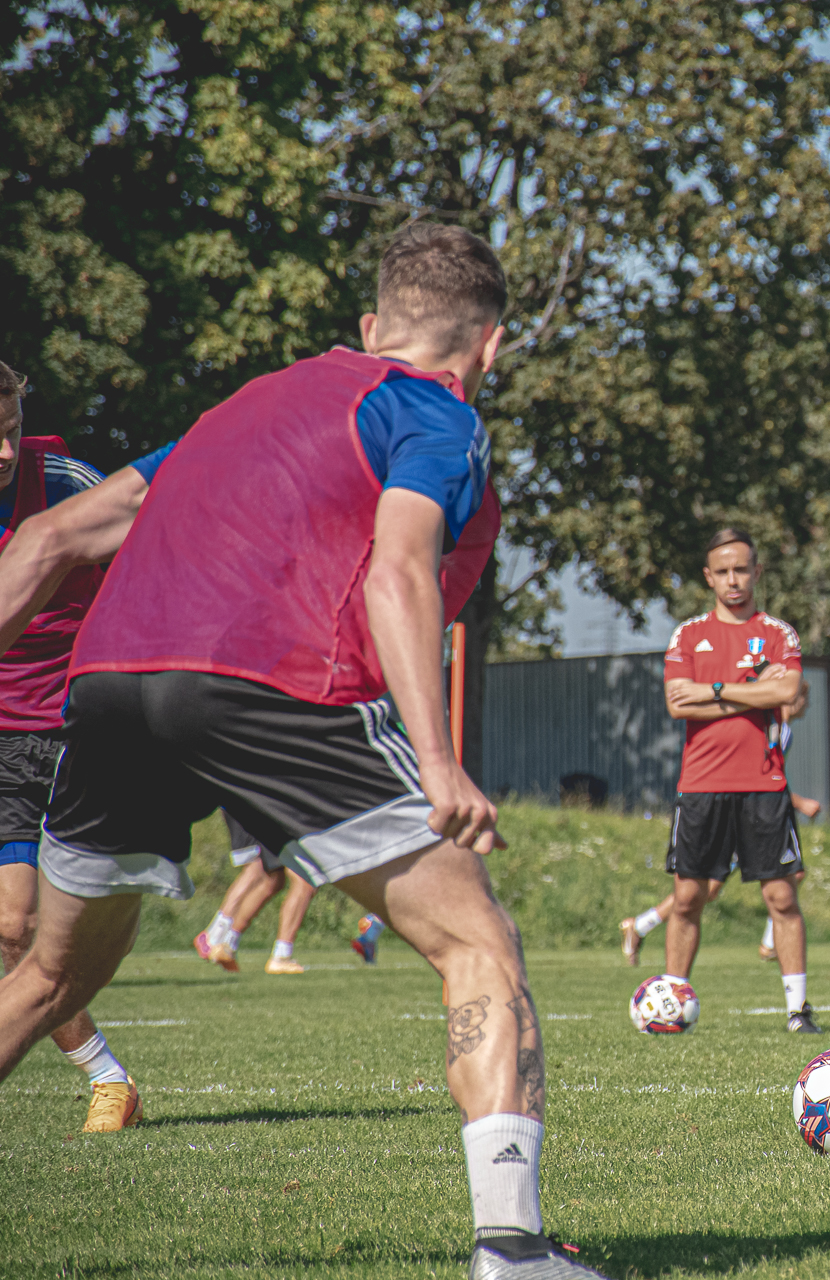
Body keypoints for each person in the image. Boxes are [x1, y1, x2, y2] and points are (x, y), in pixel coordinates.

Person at [0, 224, 606, 1278]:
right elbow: (399, 571)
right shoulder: (437, 414)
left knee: (50, 973)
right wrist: (439, 762)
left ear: (369, 326)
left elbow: (51, 540)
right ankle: (515, 1252)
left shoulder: (246, 404)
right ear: (492, 345)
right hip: (269, 680)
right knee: (477, 941)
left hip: (107, 682)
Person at [0, 358, 139, 1133]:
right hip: (5, 741)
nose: (5, 452)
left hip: (85, 723)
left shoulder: (66, 483)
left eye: (13, 430)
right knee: (13, 925)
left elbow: (148, 571)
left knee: (102, 915)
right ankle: (108, 1079)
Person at [641, 528, 818, 1034]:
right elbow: (678, 702)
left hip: (765, 784)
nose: (733, 580)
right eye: (723, 571)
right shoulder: (688, 635)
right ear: (708, 577)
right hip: (701, 784)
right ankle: (672, 1004)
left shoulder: (779, 633)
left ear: (757, 572)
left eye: (741, 569)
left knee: (781, 898)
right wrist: (748, 689)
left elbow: (787, 691)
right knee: (688, 898)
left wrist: (713, 692)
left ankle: (798, 1012)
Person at [622, 679, 819, 966]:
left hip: (750, 808)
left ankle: (641, 926)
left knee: (777, 879)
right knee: (710, 887)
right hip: (740, 811)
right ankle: (640, 926)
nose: (807, 706)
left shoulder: (782, 729)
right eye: (805, 699)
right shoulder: (773, 728)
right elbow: (761, 777)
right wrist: (801, 803)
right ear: (792, 699)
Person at [194, 814, 319, 973]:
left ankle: (227, 943)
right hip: (250, 807)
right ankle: (214, 935)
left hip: (264, 810)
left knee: (272, 880)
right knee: (258, 870)